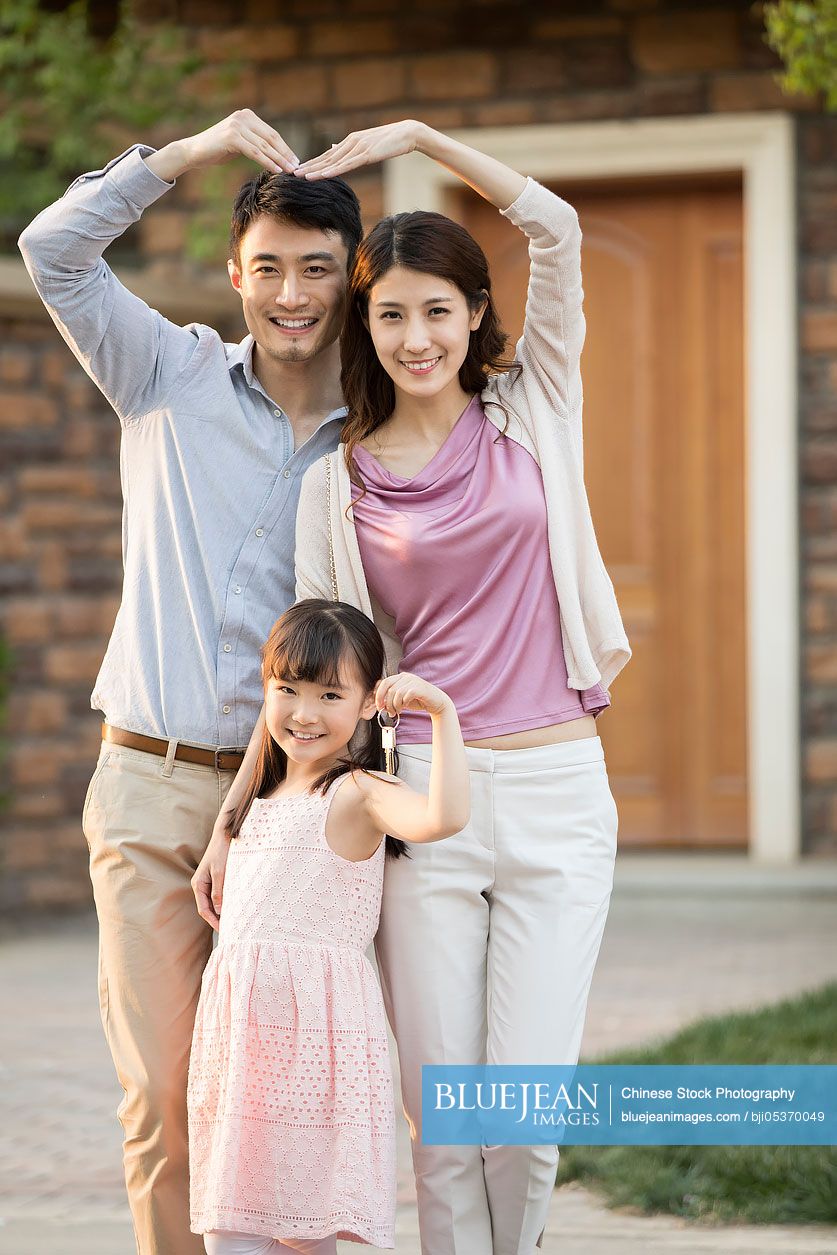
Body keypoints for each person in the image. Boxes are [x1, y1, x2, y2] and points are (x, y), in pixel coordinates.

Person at [17, 111, 362, 1255]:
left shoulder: (374, 438)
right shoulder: (165, 371)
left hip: (290, 806)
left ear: (351, 277)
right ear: (235, 273)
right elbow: (52, 250)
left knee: (274, 1106)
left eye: (317, 269)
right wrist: (187, 153)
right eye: (269, 267)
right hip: (152, 787)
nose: (291, 294)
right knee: (164, 1099)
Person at [288, 121, 631, 1253]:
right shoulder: (336, 485)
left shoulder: (537, 406)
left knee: (520, 1126)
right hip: (425, 800)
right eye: (390, 314)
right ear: (364, 324)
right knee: (443, 1127)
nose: (416, 336)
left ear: (477, 313)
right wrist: (255, 813)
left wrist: (423, 141)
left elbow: (557, 230)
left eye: (438, 310)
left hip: (558, 789)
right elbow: (322, 672)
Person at [187, 598, 470, 1255]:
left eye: (329, 694)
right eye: (286, 690)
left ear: (369, 702)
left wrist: (442, 714)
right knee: (233, 1225)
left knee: (304, 1231)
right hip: (243, 1048)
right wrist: (222, 829)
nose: (304, 712)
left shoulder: (358, 792)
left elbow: (443, 817)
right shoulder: (257, 798)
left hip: (315, 1049)